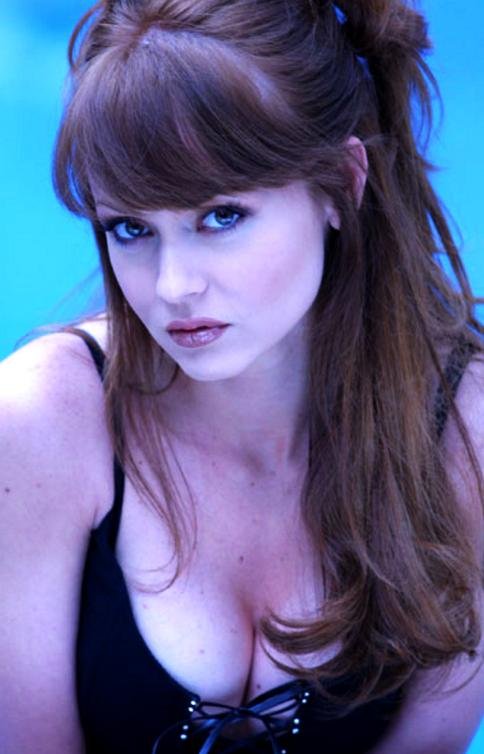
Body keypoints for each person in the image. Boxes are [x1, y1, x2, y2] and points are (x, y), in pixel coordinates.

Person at [1, 0, 483, 752]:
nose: (173, 286)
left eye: (220, 216)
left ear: (341, 183)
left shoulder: (465, 425)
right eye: (131, 228)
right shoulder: (43, 422)